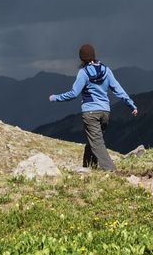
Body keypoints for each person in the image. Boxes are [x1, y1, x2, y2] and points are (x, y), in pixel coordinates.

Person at [47, 43, 137, 171]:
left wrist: (55, 97)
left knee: (97, 142)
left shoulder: (83, 73)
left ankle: (110, 169)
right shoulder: (106, 70)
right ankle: (88, 168)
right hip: (105, 112)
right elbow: (118, 89)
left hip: (90, 112)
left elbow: (73, 94)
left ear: (81, 58)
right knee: (93, 141)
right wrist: (131, 105)